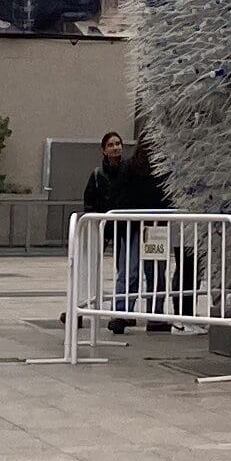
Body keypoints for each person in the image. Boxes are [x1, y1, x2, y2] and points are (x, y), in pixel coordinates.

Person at [80, 129, 171, 331]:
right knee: (153, 273)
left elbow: (121, 195)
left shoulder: (131, 167)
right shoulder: (155, 168)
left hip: (135, 225)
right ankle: (151, 314)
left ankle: (123, 313)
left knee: (133, 272)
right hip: (149, 226)